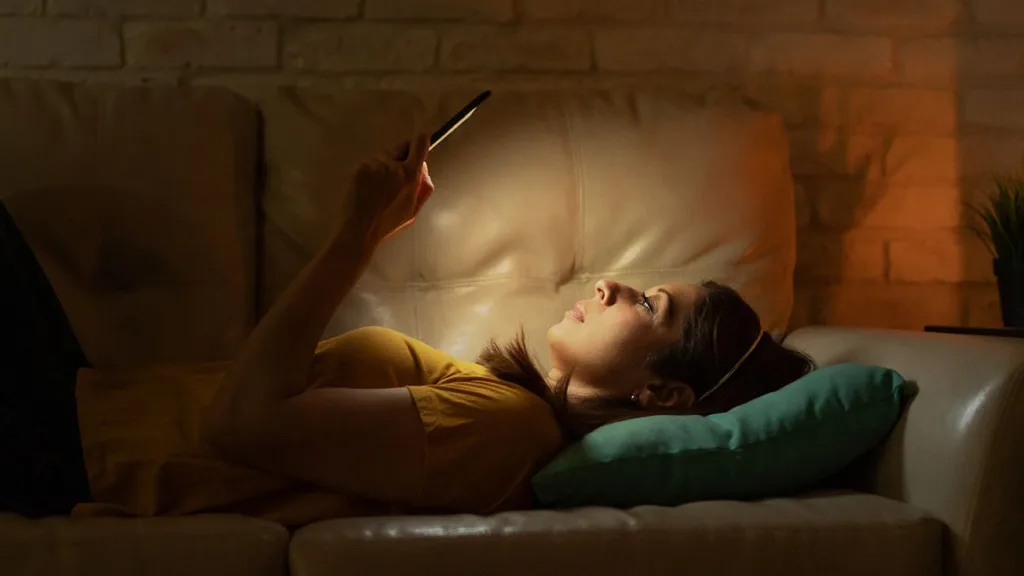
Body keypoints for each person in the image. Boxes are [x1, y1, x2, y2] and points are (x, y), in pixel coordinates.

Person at [1, 134, 813, 527]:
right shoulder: (507, 410)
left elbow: (238, 424)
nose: (609, 284)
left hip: (76, 455)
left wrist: (354, 239)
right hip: (91, 407)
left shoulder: (508, 431)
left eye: (649, 305)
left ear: (663, 394)